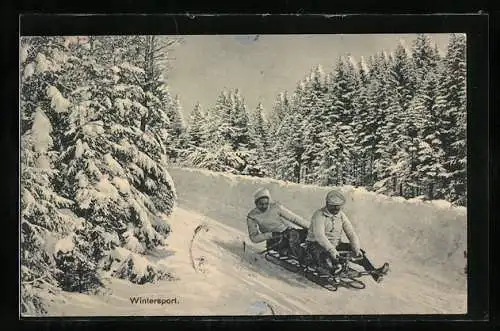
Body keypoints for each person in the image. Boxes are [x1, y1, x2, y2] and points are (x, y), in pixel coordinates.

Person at [305, 189, 389, 282]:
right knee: (323, 254)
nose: (336, 209)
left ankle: (374, 273)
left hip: (335, 244)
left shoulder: (341, 215)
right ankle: (332, 269)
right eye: (334, 207)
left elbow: (350, 232)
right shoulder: (319, 215)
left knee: (358, 252)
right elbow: (319, 236)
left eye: (338, 207)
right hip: (316, 244)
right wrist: (331, 249)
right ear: (327, 204)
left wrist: (355, 247)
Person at [247, 187, 309, 257]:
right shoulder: (252, 216)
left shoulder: (275, 207)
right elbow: (254, 238)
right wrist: (271, 235)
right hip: (275, 240)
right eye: (261, 204)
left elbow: (294, 218)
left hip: (287, 232)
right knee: (292, 236)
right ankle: (304, 257)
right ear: (256, 203)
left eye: (266, 203)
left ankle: (315, 255)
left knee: (308, 234)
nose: (264, 206)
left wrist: (310, 228)